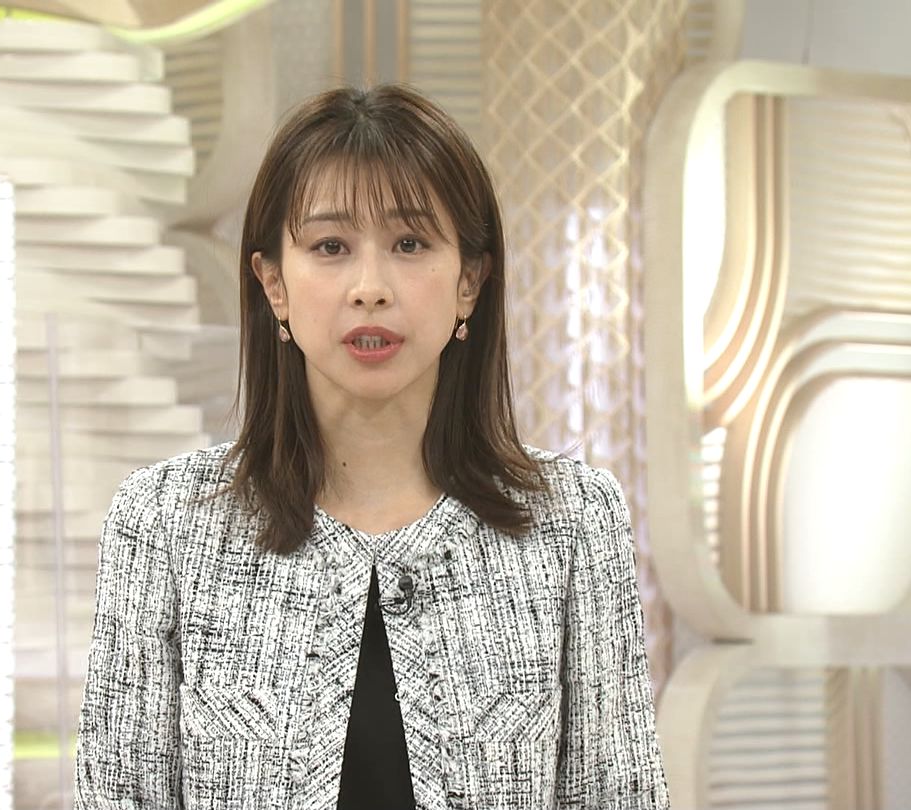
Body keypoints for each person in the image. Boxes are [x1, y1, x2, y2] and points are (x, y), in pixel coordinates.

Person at [74, 83, 670, 810]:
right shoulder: (164, 523)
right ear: (273, 284)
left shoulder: (573, 522)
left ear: (470, 281)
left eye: (410, 244)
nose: (369, 288)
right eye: (330, 247)